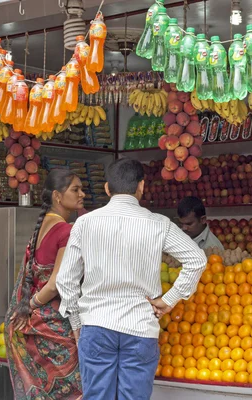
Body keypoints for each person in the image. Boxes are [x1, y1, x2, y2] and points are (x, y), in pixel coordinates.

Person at [56, 158, 207, 400]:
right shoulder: (158, 224)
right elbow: (197, 259)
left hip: (96, 324)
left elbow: (65, 280)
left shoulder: (85, 223)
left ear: (107, 188)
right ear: (141, 187)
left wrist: (76, 323)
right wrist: (169, 300)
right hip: (139, 327)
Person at [5, 169, 85, 399]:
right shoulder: (66, 231)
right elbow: (56, 284)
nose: (82, 194)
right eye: (75, 189)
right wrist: (30, 304)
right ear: (58, 197)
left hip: (38, 325)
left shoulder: (41, 228)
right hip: (56, 326)